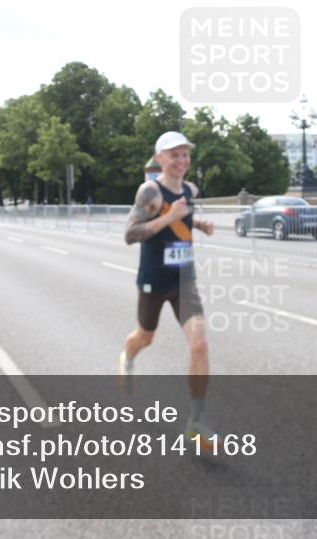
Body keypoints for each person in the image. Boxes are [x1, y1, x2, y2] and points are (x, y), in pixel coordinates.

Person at [119, 131, 216, 446]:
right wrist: (170, 217)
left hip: (183, 279)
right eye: (174, 154)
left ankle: (197, 421)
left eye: (185, 154)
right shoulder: (150, 191)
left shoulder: (190, 189)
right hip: (154, 280)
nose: (182, 160)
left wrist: (197, 224)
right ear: (160, 158)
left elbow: (181, 217)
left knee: (199, 344)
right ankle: (127, 358)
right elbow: (130, 234)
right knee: (144, 337)